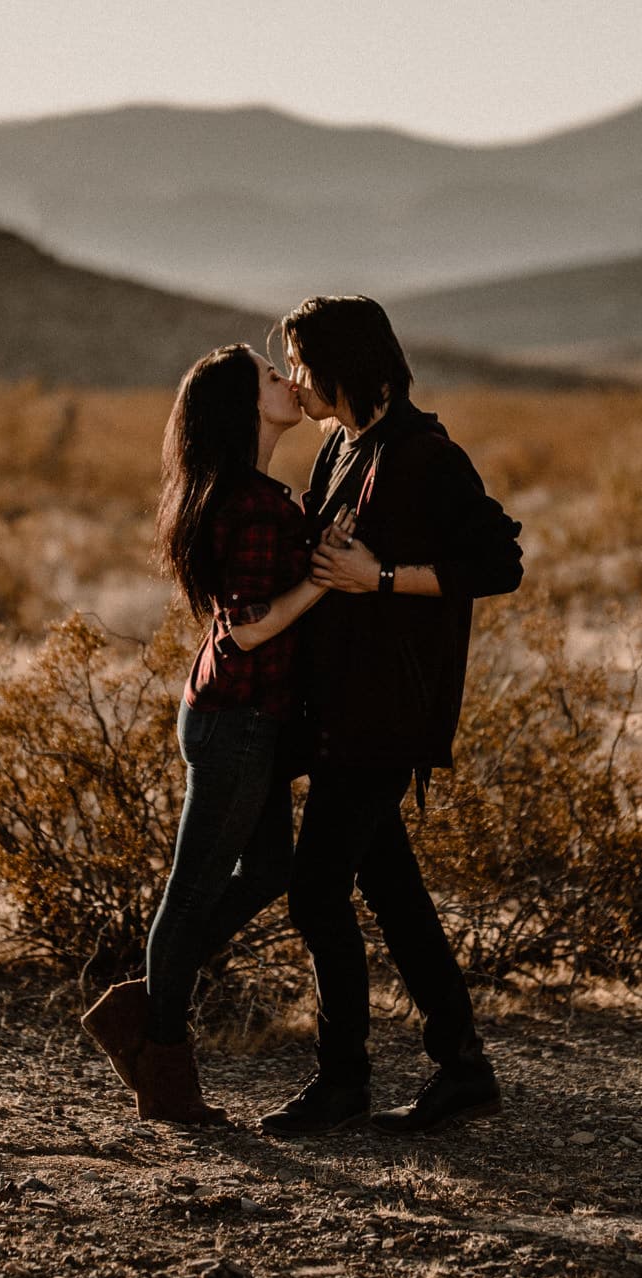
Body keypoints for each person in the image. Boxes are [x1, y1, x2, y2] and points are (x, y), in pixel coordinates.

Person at [256, 295, 525, 1137]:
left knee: (316, 893)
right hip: (345, 706)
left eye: (301, 361)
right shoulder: (341, 448)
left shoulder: (422, 453)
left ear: (345, 361)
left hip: (386, 711)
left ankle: (344, 1080)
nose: (296, 379)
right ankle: (463, 1065)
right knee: (395, 893)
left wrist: (381, 577)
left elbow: (499, 561)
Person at [79, 343, 347, 1125]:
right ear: (242, 407)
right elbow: (248, 628)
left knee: (266, 871)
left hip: (240, 718)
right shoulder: (248, 504)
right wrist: (321, 582)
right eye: (272, 377)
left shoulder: (258, 492)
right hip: (235, 721)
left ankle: (142, 1006)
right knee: (192, 892)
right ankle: (163, 1066)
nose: (289, 382)